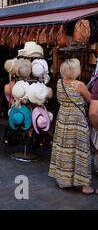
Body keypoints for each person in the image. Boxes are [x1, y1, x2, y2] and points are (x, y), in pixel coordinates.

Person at [49, 58, 96, 195]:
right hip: (77, 120)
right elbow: (91, 100)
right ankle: (85, 186)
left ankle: (63, 181)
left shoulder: (59, 83)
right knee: (80, 151)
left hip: (63, 119)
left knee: (64, 149)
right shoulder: (79, 85)